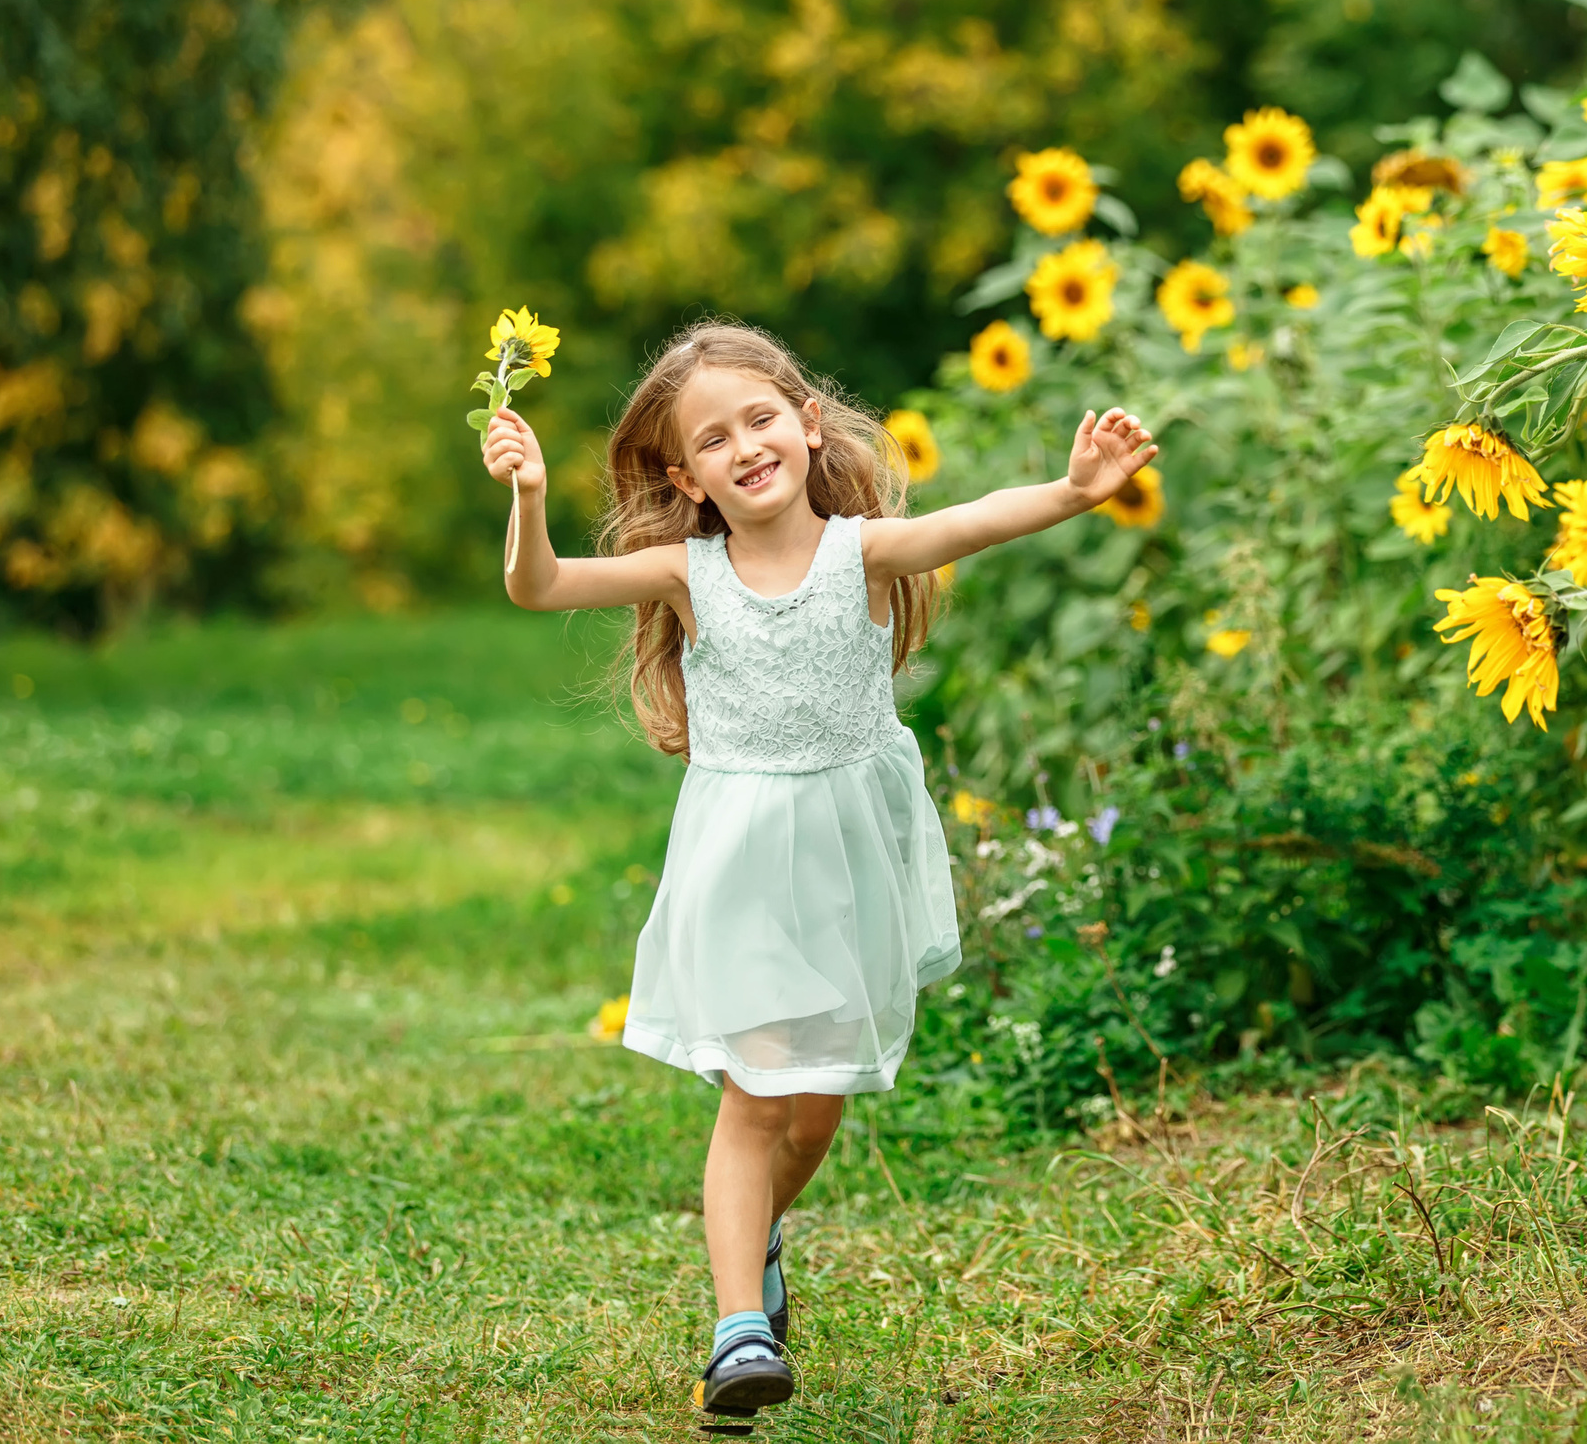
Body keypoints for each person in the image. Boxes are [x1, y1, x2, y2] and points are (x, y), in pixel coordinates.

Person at [478, 322, 1156, 1420]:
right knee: (754, 1102)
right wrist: (527, 494)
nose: (743, 446)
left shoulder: (861, 553)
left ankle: (761, 1242)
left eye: (758, 419)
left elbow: (964, 522)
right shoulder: (685, 573)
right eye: (712, 438)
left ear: (805, 422)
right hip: (745, 866)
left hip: (849, 862)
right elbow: (540, 585)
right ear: (684, 478)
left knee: (811, 1116)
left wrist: (1076, 492)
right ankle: (736, 1327)